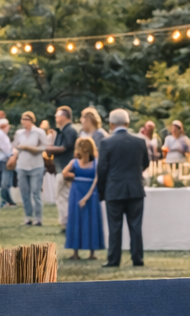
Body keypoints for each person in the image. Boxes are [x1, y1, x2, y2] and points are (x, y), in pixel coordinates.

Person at [96, 108, 148, 269]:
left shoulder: (106, 143)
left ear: (111, 124)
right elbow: (145, 163)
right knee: (136, 226)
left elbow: (102, 169)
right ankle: (137, 258)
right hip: (135, 188)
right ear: (128, 122)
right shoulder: (140, 141)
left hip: (114, 189)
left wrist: (102, 190)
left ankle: (113, 260)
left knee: (114, 227)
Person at [63, 136, 104, 260]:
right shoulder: (76, 162)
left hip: (88, 193)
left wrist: (86, 196)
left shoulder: (95, 162)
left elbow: (97, 179)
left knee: (88, 219)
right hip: (78, 192)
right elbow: (64, 173)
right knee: (78, 219)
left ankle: (84, 252)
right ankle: (82, 252)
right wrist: (73, 176)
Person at [13, 112, 47, 225]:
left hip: (36, 166)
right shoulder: (19, 133)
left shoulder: (39, 132)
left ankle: (38, 218)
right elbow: (14, 146)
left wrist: (29, 148)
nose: (24, 121)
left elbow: (44, 147)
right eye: (23, 119)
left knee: (35, 192)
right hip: (22, 166)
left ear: (32, 120)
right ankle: (28, 217)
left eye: (27, 119)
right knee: (24, 192)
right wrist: (15, 151)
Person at [50, 107, 77, 229]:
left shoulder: (69, 130)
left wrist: (44, 148)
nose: (56, 117)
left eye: (57, 115)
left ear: (64, 116)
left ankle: (67, 223)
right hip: (63, 168)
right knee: (63, 196)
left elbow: (64, 147)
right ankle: (67, 222)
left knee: (62, 196)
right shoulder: (62, 131)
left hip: (66, 169)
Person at [0, 118, 16, 207]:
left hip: (7, 159)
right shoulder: (0, 134)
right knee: (5, 181)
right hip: (4, 159)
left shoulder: (3, 135)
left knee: (8, 181)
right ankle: (5, 200)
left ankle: (9, 200)